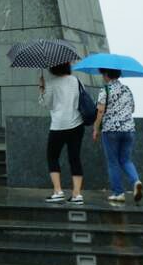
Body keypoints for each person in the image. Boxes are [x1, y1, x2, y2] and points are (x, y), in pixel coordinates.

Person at [93, 68, 143, 203]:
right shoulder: (127, 89)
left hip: (111, 131)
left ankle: (118, 193)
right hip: (129, 130)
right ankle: (136, 181)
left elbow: (100, 111)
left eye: (103, 73)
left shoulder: (105, 90)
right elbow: (132, 108)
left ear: (107, 75)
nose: (103, 76)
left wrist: (96, 128)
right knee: (126, 160)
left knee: (113, 162)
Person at [38, 62, 85, 204]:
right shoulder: (77, 80)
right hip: (77, 124)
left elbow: (46, 104)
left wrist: (42, 88)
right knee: (74, 158)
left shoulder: (51, 83)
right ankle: (77, 194)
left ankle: (58, 191)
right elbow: (81, 99)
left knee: (52, 157)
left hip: (58, 125)